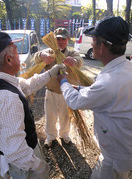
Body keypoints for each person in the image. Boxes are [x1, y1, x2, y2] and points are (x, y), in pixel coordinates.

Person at [58, 16, 132, 179]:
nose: (91, 43)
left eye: (94, 39)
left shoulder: (108, 82)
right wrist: (78, 87)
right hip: (124, 144)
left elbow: (75, 102)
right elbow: (102, 94)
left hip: (114, 155)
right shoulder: (126, 68)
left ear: (103, 45)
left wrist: (63, 81)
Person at [0, 31, 66, 179]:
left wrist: (51, 73)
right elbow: (16, 151)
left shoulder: (6, 81)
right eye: (16, 53)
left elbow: (27, 86)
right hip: (23, 167)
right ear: (8, 59)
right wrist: (39, 166)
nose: (19, 57)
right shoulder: (7, 98)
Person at [34, 27, 83, 147]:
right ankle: (50, 137)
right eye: (58, 39)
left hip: (66, 92)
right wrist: (42, 55)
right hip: (51, 91)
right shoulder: (49, 52)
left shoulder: (71, 53)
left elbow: (80, 60)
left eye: (63, 39)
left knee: (65, 116)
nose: (60, 42)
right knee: (50, 116)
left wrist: (74, 61)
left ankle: (64, 135)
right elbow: (36, 58)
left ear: (67, 40)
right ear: (54, 40)